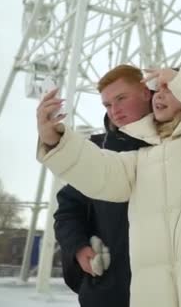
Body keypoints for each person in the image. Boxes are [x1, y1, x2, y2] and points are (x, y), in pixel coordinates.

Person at [37, 67, 181, 307]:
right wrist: (55, 139)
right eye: (159, 89)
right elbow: (101, 172)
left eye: (169, 88)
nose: (160, 95)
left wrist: (180, 78)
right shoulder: (141, 159)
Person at [53, 64, 153, 307]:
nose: (114, 111)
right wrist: (79, 248)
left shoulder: (176, 148)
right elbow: (67, 210)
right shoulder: (96, 153)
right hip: (108, 294)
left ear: (146, 92)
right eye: (107, 105)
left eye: (121, 98)